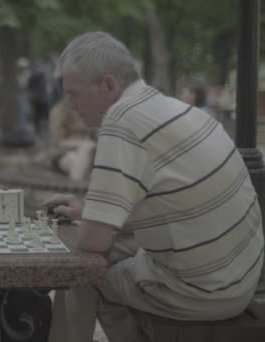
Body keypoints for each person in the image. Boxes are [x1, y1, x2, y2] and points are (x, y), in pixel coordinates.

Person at [44, 32, 263, 342]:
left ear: (108, 85)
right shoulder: (174, 109)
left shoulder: (120, 120)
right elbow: (173, 209)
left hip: (205, 291)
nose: (71, 105)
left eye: (75, 94)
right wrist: (88, 211)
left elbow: (93, 241)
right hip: (240, 275)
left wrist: (90, 222)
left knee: (82, 273)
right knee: (107, 257)